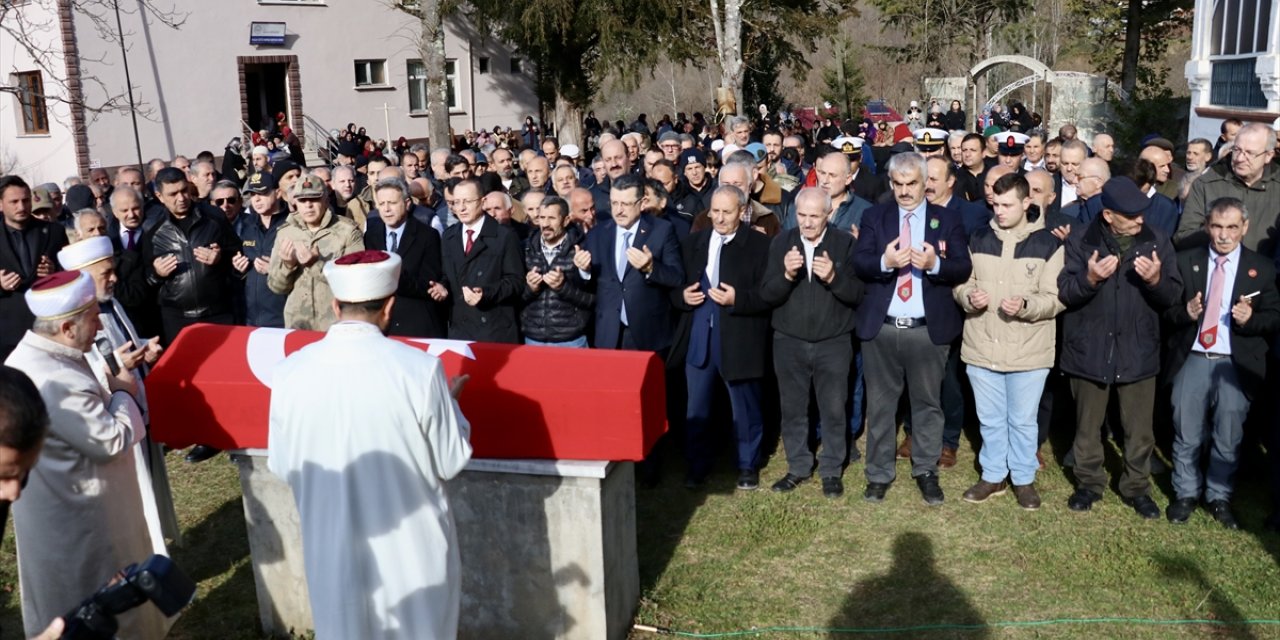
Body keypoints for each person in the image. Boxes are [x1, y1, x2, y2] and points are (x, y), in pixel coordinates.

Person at [268, 250, 472, 640]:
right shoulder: (420, 370)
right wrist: (454, 409)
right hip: (411, 557)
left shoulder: (289, 372)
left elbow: (282, 464)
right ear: (389, 306)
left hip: (332, 549)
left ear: (335, 305)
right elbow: (450, 460)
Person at [5, 271, 167, 639]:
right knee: (96, 616)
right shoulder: (52, 376)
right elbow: (110, 439)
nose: (99, 327)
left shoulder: (44, 354)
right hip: (81, 526)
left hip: (70, 510)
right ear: (65, 327)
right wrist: (125, 391)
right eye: (93, 318)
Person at [1057, 177, 1181, 517]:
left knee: (1139, 429)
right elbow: (1066, 291)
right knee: (1087, 426)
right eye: (1132, 215)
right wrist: (1090, 279)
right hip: (1089, 348)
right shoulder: (1081, 239)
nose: (1141, 220)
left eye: (1142, 213)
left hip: (1138, 349)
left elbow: (1173, 296)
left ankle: (1136, 487)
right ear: (1109, 214)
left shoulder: (1156, 240)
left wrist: (1155, 281)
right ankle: (1088, 483)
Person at [853, 152, 972, 505]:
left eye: (912, 184)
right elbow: (859, 263)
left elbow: (962, 267)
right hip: (883, 328)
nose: (904, 192)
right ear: (891, 183)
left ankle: (925, 470)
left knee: (927, 404)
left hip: (927, 329)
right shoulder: (875, 216)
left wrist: (936, 264)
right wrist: (884, 262)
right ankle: (878, 474)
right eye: (898, 184)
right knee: (881, 405)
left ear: (925, 183)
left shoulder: (947, 219)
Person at [1163, 198, 1279, 529]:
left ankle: (1219, 496)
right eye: (1216, 226)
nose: (1223, 235)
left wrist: (1250, 319)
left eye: (1231, 227)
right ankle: (1185, 493)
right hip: (1193, 357)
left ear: (1244, 228)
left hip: (1235, 364)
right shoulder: (1186, 261)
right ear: (1206, 227)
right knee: (1186, 431)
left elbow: (1274, 317)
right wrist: (1185, 313)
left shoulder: (1262, 268)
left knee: (1228, 434)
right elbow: (1166, 311)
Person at [953, 174, 1065, 509]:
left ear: (1026, 203)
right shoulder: (977, 238)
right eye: (996, 204)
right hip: (982, 345)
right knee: (989, 418)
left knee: (1022, 420)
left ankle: (1023, 478)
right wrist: (969, 297)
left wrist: (1027, 307)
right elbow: (960, 285)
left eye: (1007, 205)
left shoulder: (1048, 244)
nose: (999, 211)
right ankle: (992, 474)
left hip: (1028, 350)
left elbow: (1056, 298)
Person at [760, 187, 863, 497]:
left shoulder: (845, 244)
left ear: (828, 215)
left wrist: (834, 278)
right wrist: (787, 275)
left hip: (833, 342)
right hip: (789, 341)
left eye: (814, 216)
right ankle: (798, 467)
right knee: (793, 409)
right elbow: (767, 294)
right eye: (801, 215)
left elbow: (858, 295)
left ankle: (832, 469)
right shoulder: (782, 242)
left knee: (833, 408)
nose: (806, 222)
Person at [673, 186, 774, 490]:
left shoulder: (760, 246)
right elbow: (674, 286)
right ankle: (697, 465)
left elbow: (769, 294)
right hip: (699, 339)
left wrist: (738, 300)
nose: (718, 217)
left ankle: (747, 464)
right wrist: (681, 297)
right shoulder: (694, 242)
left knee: (744, 406)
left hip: (739, 337)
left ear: (743, 211)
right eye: (714, 211)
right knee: (697, 408)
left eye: (726, 212)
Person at [574, 174, 684, 352]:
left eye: (625, 204)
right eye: (614, 203)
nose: (618, 210)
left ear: (642, 203)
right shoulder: (598, 234)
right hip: (608, 333)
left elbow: (677, 277)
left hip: (648, 333)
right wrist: (583, 270)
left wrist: (651, 268)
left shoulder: (662, 230)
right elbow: (588, 286)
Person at [141, 167, 242, 344]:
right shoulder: (152, 229)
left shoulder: (214, 217)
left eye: (184, 190)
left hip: (218, 312)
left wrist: (220, 258)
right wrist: (157, 274)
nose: (181, 198)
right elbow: (147, 279)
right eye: (173, 194)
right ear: (159, 196)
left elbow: (237, 253)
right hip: (178, 318)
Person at [269, 173, 365, 331]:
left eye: (314, 199)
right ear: (295, 203)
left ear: (326, 200)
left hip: (336, 326)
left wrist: (315, 264)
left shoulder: (347, 231)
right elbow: (276, 287)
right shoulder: (286, 233)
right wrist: (287, 266)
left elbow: (353, 282)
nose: (308, 205)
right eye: (302, 200)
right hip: (297, 325)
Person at [438, 178, 525, 343]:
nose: (461, 208)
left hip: (494, 328)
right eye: (456, 202)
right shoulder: (449, 236)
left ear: (482, 201)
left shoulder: (504, 236)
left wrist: (486, 293)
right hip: (460, 329)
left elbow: (516, 282)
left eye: (467, 201)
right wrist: (442, 287)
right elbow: (447, 274)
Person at [1175, 123, 1280, 256]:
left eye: (1250, 153)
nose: (1240, 158)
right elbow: (1182, 237)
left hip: (1267, 272)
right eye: (1236, 150)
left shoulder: (1277, 186)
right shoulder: (1207, 183)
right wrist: (1217, 230)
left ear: (1268, 155)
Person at [364, 177, 446, 338]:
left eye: (392, 203)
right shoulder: (371, 235)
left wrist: (392, 275)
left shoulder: (427, 236)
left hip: (416, 323)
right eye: (381, 204)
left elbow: (429, 283)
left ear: (407, 204)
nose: (386, 209)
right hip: (382, 324)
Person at [0, 176, 68, 361]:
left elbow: (69, 275)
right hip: (7, 335)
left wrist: (54, 272)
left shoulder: (54, 232)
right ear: (1, 204)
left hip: (47, 330)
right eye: (14, 202)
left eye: (25, 200)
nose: (21, 207)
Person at [521, 196, 593, 347]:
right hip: (533, 338)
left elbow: (592, 300)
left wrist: (563, 287)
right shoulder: (525, 249)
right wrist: (531, 288)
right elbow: (516, 296)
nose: (545, 224)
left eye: (552, 218)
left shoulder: (583, 248)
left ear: (566, 220)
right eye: (542, 218)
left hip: (572, 340)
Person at [234, 172, 290, 328]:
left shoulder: (292, 224)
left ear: (278, 193)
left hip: (284, 318)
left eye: (263, 193)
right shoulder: (246, 226)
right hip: (252, 318)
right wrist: (238, 268)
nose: (256, 199)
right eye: (252, 194)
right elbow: (240, 272)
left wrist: (276, 268)